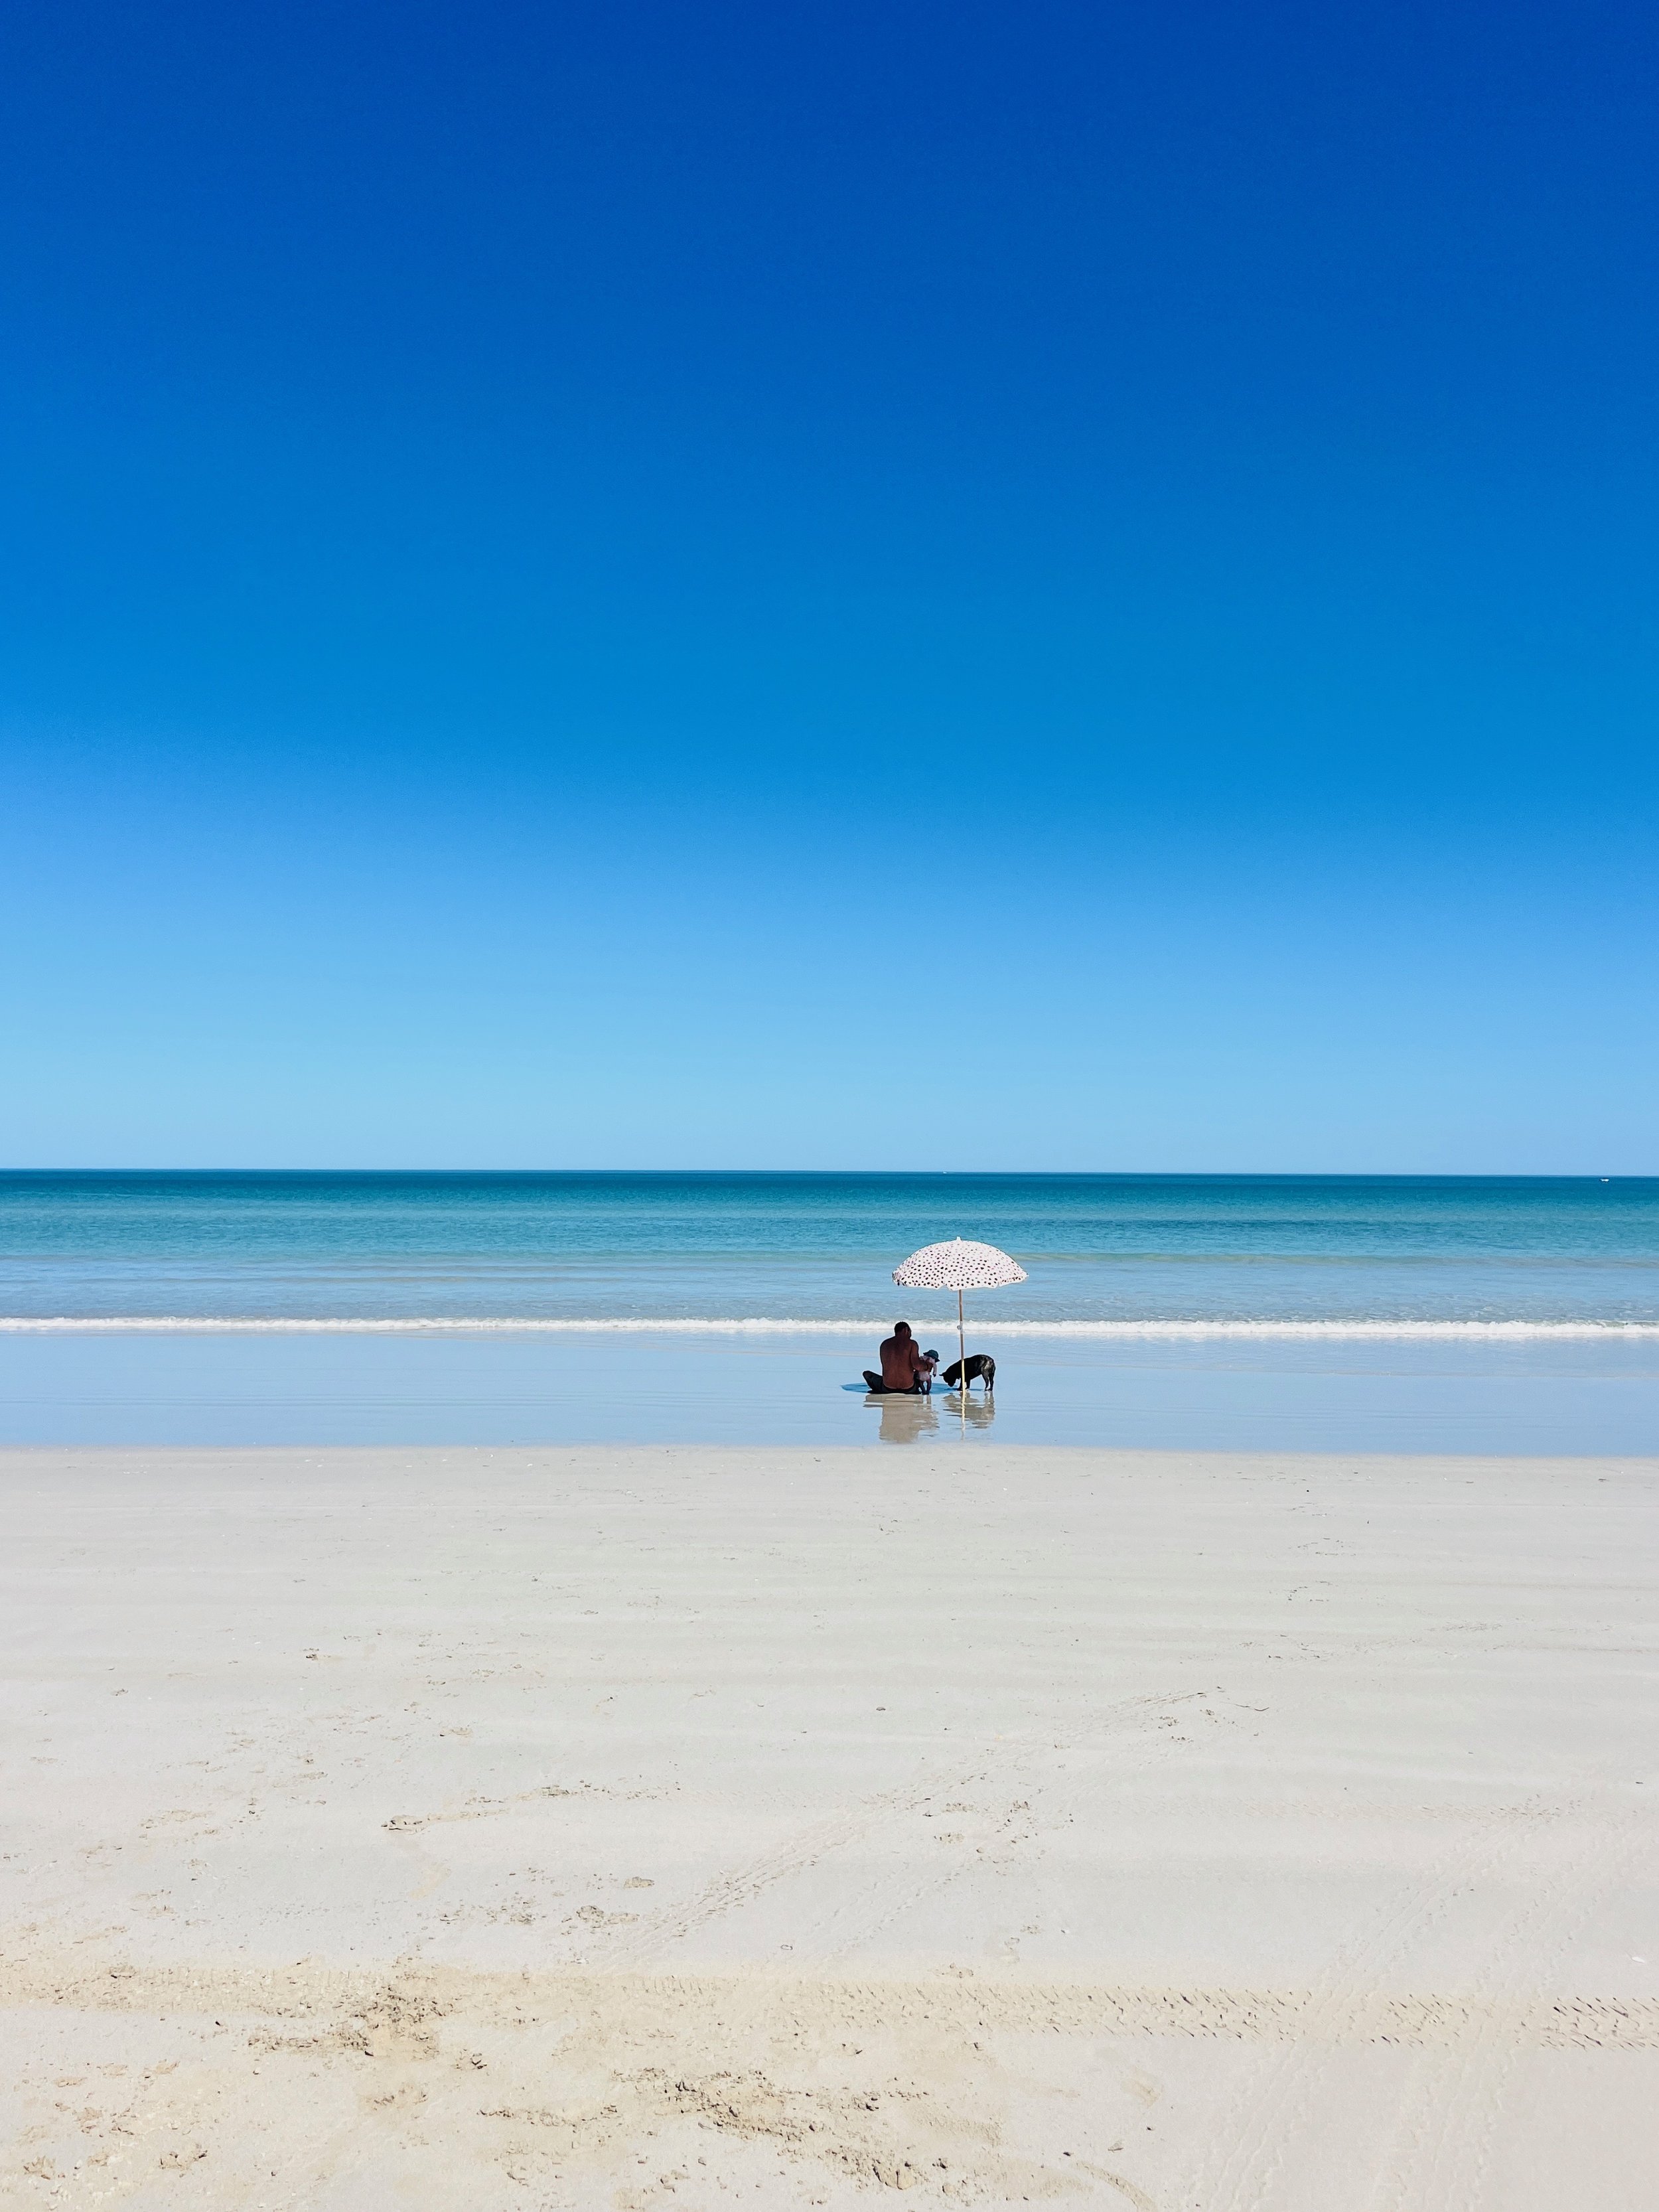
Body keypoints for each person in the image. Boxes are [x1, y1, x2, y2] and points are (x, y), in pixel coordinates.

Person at [863, 1321, 935, 1394]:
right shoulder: (912, 1344)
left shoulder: (884, 1344)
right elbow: (917, 1366)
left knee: (867, 1374)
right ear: (906, 1330)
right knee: (919, 1374)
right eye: (910, 1332)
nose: (911, 1334)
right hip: (909, 1389)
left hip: (887, 1388)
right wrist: (928, 1366)